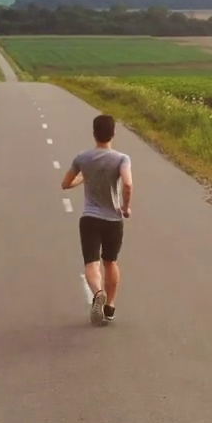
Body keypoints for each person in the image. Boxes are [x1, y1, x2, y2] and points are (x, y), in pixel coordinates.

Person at [61, 114, 132, 325]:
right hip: (113, 219)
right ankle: (110, 306)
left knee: (92, 262)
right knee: (110, 261)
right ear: (113, 133)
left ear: (94, 133)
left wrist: (84, 178)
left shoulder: (82, 158)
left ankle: (98, 293)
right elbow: (128, 184)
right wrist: (125, 207)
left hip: (90, 218)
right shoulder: (122, 159)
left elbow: (65, 184)